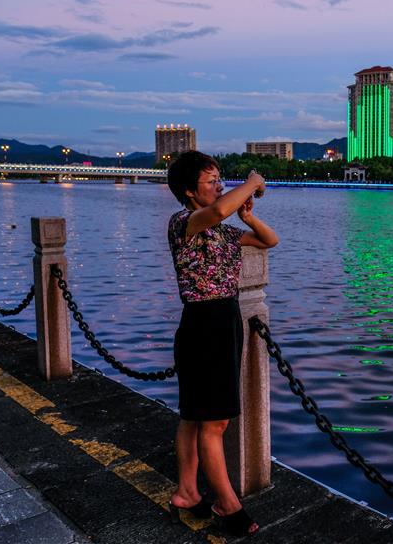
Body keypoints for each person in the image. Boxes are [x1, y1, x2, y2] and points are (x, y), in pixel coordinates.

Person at [165, 151, 279, 537]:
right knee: (213, 422)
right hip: (201, 324)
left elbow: (270, 240)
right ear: (189, 191)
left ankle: (186, 491)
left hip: (224, 321)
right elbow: (215, 213)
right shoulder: (185, 222)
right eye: (210, 180)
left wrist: (248, 215)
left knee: (196, 415)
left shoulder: (226, 232)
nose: (218, 185)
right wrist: (251, 181)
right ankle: (227, 504)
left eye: (219, 178)